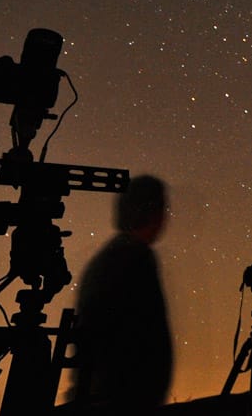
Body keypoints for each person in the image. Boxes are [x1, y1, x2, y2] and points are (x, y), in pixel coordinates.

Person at [71, 174, 173, 413]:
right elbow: (143, 333)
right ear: (150, 211)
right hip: (124, 399)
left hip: (105, 395)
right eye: (162, 207)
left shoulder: (110, 257)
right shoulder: (136, 258)